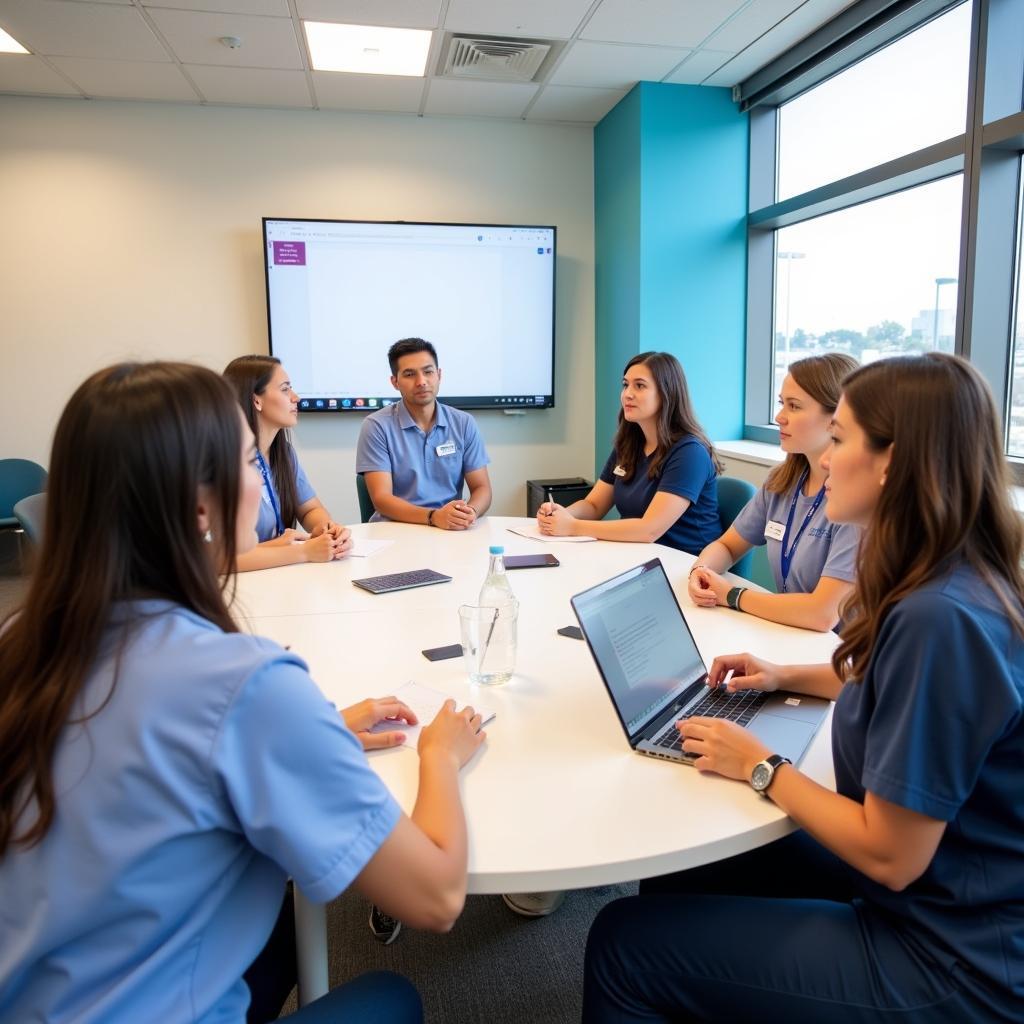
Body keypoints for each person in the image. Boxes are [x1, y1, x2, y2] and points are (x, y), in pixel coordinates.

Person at [0, 362, 487, 1024]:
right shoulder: (243, 685)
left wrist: (318, 733)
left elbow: (151, 764)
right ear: (202, 507)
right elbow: (437, 897)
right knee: (393, 998)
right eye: (249, 463)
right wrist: (438, 755)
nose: (261, 483)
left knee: (279, 930)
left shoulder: (22, 642)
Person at [582, 353, 1024, 1023]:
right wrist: (787, 676)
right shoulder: (952, 575)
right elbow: (885, 686)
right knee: (691, 859)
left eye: (840, 439)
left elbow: (891, 854)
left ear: (892, 462)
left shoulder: (938, 619)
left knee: (621, 945)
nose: (824, 459)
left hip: (948, 957)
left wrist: (760, 766)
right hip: (942, 894)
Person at [688, 352, 860, 631]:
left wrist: (731, 594)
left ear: (837, 416)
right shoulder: (782, 481)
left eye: (794, 406)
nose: (780, 417)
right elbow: (728, 546)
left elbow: (822, 614)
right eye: (782, 404)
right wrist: (701, 572)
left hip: (839, 658)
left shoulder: (856, 501)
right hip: (790, 634)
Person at [537, 352, 720, 553]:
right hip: (638, 556)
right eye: (625, 385)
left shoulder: (690, 453)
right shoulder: (629, 444)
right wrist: (560, 514)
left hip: (686, 567)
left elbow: (648, 530)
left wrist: (572, 527)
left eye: (639, 386)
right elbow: (594, 505)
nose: (627, 394)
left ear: (667, 394)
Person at [223, 355, 352, 570]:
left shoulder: (283, 453)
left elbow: (310, 509)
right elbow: (219, 557)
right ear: (256, 400)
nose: (296, 397)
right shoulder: (224, 460)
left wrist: (326, 530)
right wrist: (302, 551)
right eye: (285, 389)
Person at [356, 338, 492, 529]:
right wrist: (433, 517)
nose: (421, 382)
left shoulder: (463, 423)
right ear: (395, 382)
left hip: (448, 531)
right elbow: (382, 499)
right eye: (410, 374)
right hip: (395, 532)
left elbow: (482, 488)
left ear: (439, 375)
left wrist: (470, 513)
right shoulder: (376, 426)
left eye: (428, 372)